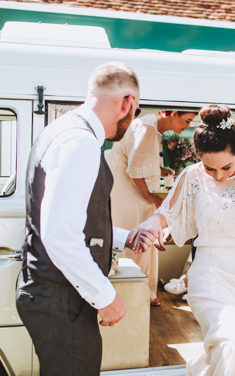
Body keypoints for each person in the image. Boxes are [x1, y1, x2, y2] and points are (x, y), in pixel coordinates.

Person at [16, 62, 154, 375]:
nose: (132, 120)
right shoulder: (80, 142)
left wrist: (123, 237)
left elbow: (67, 219)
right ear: (127, 103)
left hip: (54, 294)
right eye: (136, 110)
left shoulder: (62, 130)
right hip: (62, 298)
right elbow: (59, 235)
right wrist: (105, 297)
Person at [139, 104, 235, 375]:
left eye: (225, 166)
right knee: (232, 345)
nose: (219, 175)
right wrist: (148, 225)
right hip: (211, 275)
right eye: (210, 168)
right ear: (199, 157)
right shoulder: (192, 176)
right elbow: (166, 213)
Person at [105, 110, 197, 306]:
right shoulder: (147, 125)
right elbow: (133, 167)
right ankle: (130, 291)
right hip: (123, 183)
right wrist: (147, 195)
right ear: (172, 114)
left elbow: (138, 158)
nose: (188, 126)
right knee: (136, 225)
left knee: (145, 222)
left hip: (127, 179)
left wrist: (160, 169)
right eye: (187, 120)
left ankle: (144, 289)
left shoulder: (152, 127)